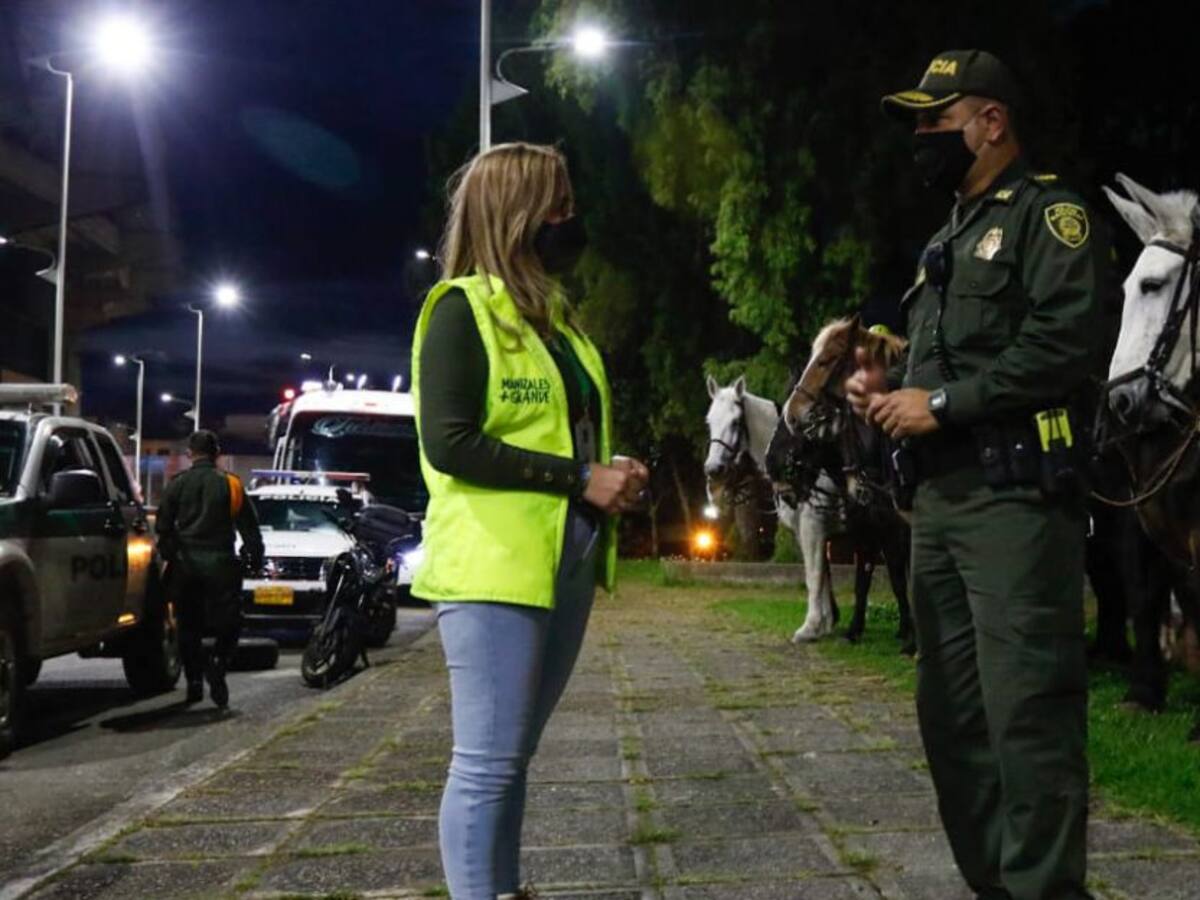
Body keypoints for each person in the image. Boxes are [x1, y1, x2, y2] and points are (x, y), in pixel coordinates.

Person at [846, 50, 1110, 899]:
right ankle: (998, 886)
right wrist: (886, 394)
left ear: (990, 121)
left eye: (936, 119)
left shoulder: (1050, 215)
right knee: (952, 724)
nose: (922, 137)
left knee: (1028, 720)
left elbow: (1064, 343)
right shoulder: (943, 242)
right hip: (942, 505)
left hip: (1016, 505)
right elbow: (937, 374)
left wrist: (947, 402)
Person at [412, 142, 648, 900]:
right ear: (517, 213)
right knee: (484, 761)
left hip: (563, 560)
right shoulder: (460, 310)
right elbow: (448, 444)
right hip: (494, 566)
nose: (570, 219)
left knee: (512, 755)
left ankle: (503, 889)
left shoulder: (554, 324)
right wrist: (581, 477)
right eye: (558, 204)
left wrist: (614, 471)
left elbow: (564, 434)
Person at [156, 429, 263, 708]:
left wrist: (171, 555)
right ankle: (217, 661)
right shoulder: (232, 485)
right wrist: (253, 559)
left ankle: (193, 682)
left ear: (190, 454)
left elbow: (163, 529)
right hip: (221, 565)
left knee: (188, 626)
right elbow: (250, 530)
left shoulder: (176, 485)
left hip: (186, 567)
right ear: (217, 454)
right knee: (230, 622)